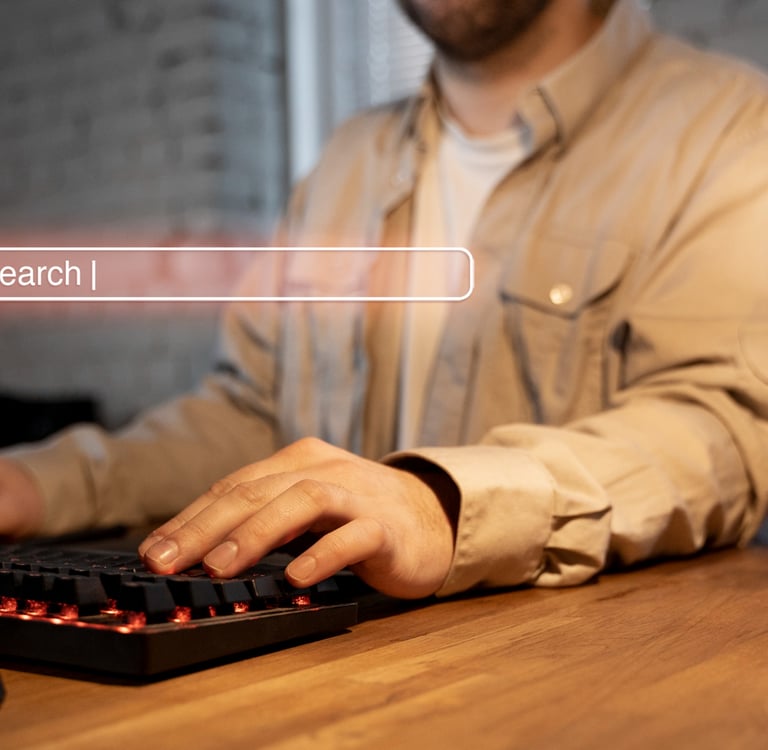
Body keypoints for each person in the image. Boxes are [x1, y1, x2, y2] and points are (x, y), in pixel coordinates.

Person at [1, 0, 767, 599]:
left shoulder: (732, 130)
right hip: (339, 682)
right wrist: (41, 486)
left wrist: (441, 502)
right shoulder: (345, 161)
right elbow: (252, 415)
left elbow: (719, 429)